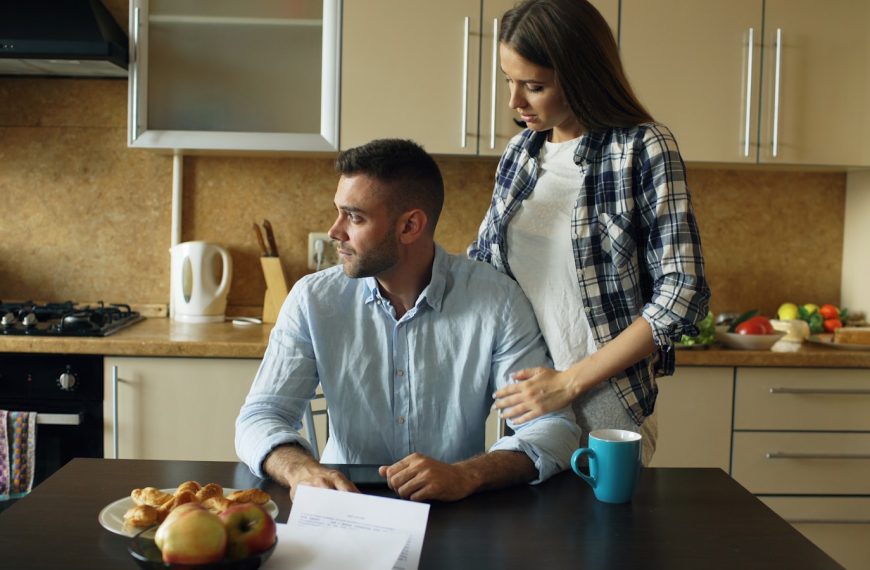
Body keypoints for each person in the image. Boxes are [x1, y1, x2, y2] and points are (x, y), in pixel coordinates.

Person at [236, 138, 580, 502]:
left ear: (410, 226)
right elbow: (260, 416)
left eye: (354, 217)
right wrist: (301, 470)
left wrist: (468, 474)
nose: (335, 231)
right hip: (343, 504)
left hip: (453, 507)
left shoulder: (497, 300)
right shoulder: (312, 299)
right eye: (339, 212)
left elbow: (553, 428)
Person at [470, 0, 710, 465]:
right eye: (509, 81)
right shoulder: (520, 153)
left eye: (534, 86)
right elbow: (485, 269)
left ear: (580, 75)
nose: (514, 102)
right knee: (523, 536)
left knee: (601, 538)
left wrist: (570, 381)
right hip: (528, 398)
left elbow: (683, 290)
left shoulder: (642, 146)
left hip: (605, 397)